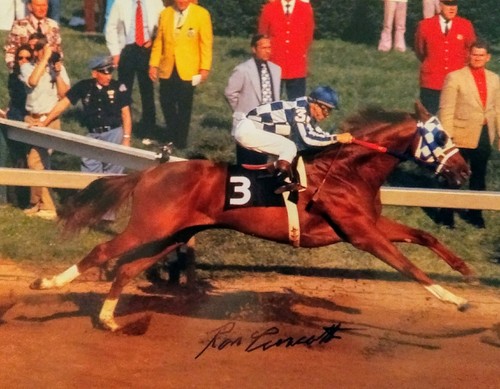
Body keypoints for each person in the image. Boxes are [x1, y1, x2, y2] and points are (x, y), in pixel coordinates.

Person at [42, 56, 132, 223]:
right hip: (93, 134)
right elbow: (63, 104)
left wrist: (126, 138)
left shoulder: (118, 87)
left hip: (113, 132)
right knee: (89, 171)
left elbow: (125, 114)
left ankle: (107, 215)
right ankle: (90, 209)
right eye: (104, 73)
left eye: (110, 72)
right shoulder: (84, 87)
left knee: (112, 173)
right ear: (94, 73)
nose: (108, 76)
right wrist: (45, 122)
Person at [233, 86, 353, 193]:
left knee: (289, 149)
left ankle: (280, 179)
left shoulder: (304, 108)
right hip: (249, 130)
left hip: (252, 129)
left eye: (329, 111)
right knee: (290, 147)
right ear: (314, 104)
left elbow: (316, 132)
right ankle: (274, 184)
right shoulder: (300, 110)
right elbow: (308, 139)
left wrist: (337, 139)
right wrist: (336, 138)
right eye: (325, 109)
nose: (327, 115)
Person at [438, 40, 500, 229]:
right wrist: (448, 138)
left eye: (481, 55)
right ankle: (446, 214)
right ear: (469, 55)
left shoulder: (494, 78)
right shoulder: (455, 77)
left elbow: (497, 109)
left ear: (487, 58)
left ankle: (476, 214)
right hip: (460, 134)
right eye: (474, 55)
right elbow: (446, 110)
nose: (477, 58)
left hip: (483, 134)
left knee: (479, 176)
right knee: (455, 176)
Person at [149, 0, 213, 149]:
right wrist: (153, 64)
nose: (182, 1)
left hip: (188, 69)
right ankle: (171, 134)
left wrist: (204, 68)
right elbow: (159, 42)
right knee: (166, 102)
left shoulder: (201, 14)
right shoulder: (165, 13)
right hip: (168, 67)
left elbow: (206, 43)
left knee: (184, 105)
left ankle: (180, 141)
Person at [19, 37, 70, 219]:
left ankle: (48, 207)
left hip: (50, 119)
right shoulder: (27, 67)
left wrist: (56, 74)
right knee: (38, 162)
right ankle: (37, 203)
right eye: (36, 48)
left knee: (36, 162)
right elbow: (32, 81)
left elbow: (64, 94)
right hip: (31, 118)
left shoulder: (58, 68)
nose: (37, 50)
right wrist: (43, 59)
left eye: (41, 47)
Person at [105, 0, 164, 135]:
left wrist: (153, 40)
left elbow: (162, 25)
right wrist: (115, 53)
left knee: (147, 90)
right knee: (124, 89)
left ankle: (149, 127)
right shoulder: (121, 3)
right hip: (127, 49)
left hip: (146, 48)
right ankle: (124, 124)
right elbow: (111, 27)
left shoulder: (155, 2)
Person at [225, 34, 281, 165]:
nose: (268, 51)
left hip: (269, 123)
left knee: (264, 162)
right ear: (254, 49)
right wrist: (241, 111)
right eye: (263, 47)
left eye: (269, 47)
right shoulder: (243, 70)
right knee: (247, 162)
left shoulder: (276, 69)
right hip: (248, 123)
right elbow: (230, 93)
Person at [414, 0, 475, 115]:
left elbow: (471, 50)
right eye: (447, 4)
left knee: (456, 118)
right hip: (432, 81)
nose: (452, 8)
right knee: (429, 120)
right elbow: (420, 51)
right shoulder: (425, 25)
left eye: (454, 5)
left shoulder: (465, 25)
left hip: (457, 81)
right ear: (439, 5)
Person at [258, 0, 315, 100]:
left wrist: (298, 53)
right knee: (270, 103)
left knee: (297, 105)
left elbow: (308, 36)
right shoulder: (269, 8)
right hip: (273, 63)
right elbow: (262, 35)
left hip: (297, 65)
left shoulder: (305, 8)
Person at [0, 44, 33, 208]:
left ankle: (26, 199)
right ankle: (11, 198)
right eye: (20, 58)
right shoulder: (14, 77)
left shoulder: (33, 77)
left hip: (28, 118)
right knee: (14, 158)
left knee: (29, 160)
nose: (23, 61)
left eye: (27, 58)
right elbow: (15, 99)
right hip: (14, 116)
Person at [4, 0, 63, 72]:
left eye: (44, 5)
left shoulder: (53, 25)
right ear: (30, 7)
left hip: (48, 71)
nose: (42, 9)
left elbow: (58, 52)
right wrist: (17, 70)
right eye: (38, 6)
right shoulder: (19, 25)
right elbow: (10, 53)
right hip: (24, 71)